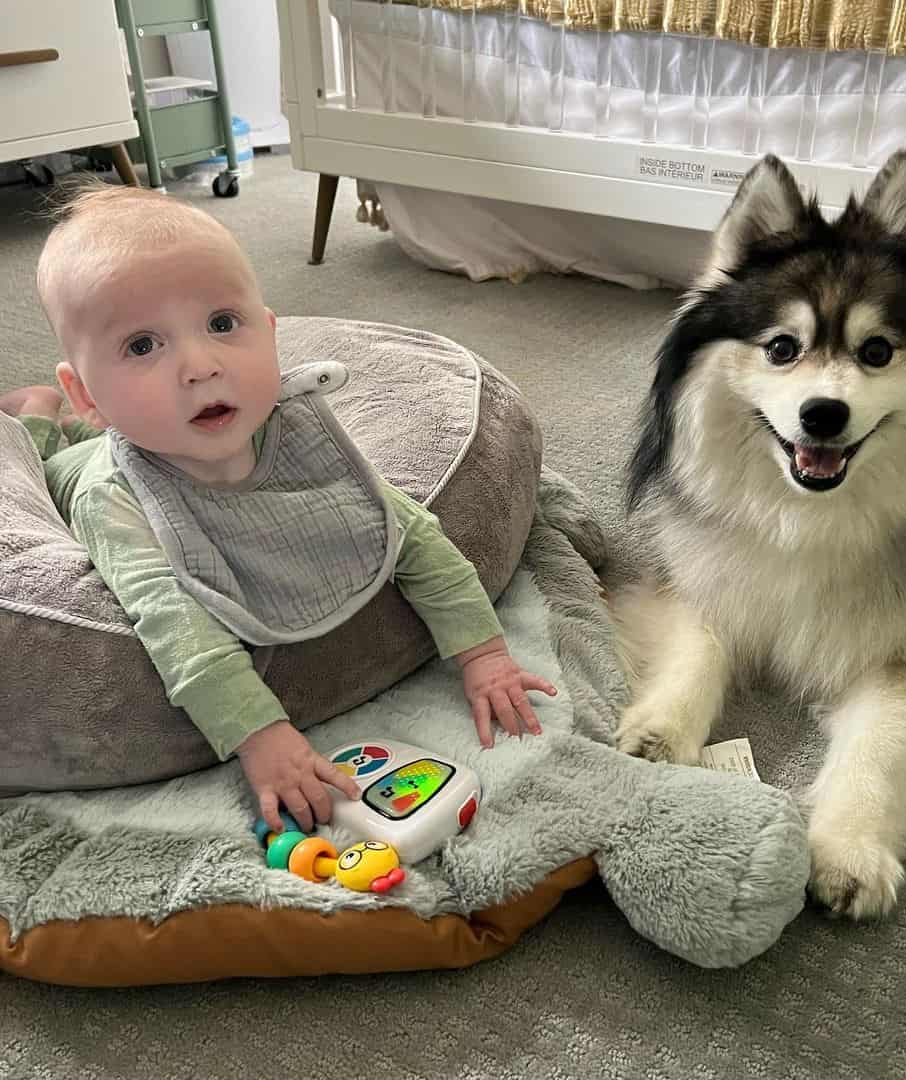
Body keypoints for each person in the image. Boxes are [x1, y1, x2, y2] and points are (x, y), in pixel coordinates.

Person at [1, 182, 556, 833]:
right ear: (88, 390)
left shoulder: (301, 437)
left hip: (123, 428)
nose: (201, 365)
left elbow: (411, 535)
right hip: (75, 474)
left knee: (143, 427)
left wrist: (484, 654)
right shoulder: (112, 500)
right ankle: (43, 420)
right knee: (45, 459)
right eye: (143, 345)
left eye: (221, 324)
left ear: (269, 333)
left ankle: (67, 414)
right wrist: (263, 736)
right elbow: (173, 623)